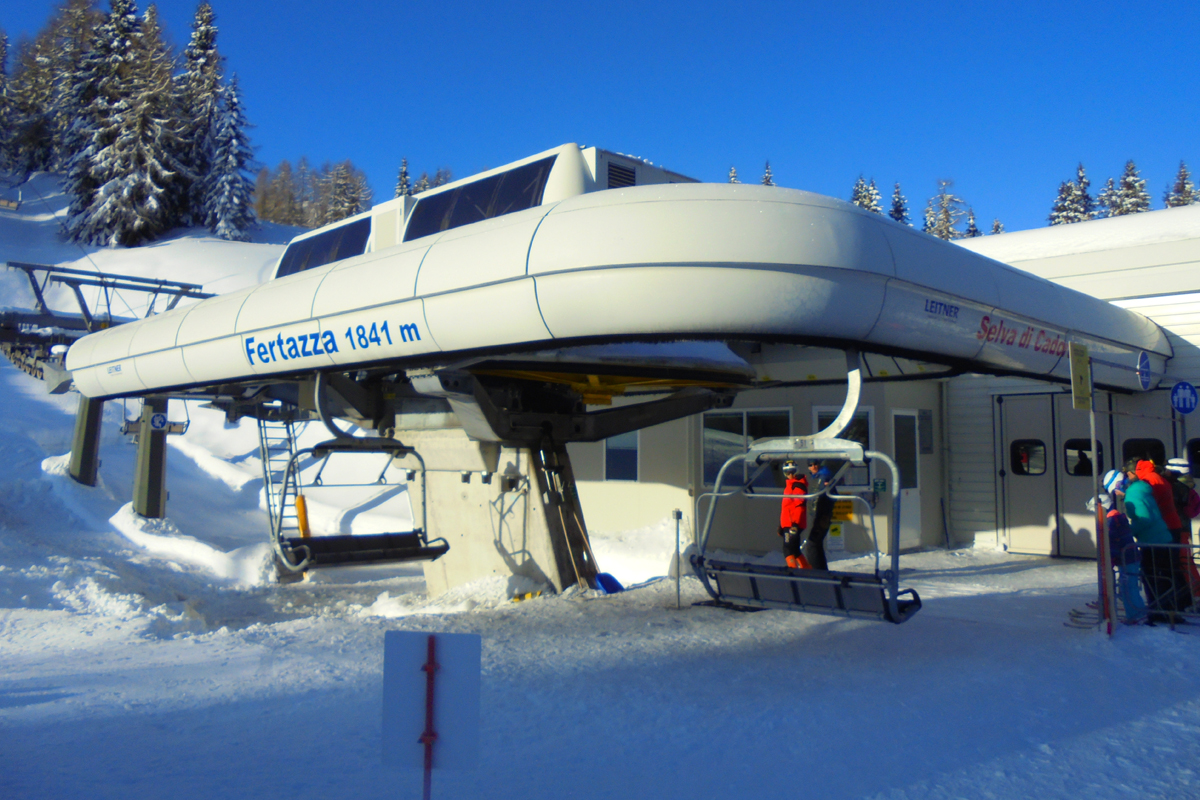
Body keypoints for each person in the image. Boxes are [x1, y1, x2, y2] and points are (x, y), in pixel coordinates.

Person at [1123, 459, 1190, 622]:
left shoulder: (1149, 481)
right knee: (1171, 569)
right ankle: (1177, 605)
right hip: (1170, 526)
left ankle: (1166, 608)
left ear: (1136, 471)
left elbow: (1147, 512)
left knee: (1161, 572)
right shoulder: (1155, 478)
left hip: (1165, 528)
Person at [1088, 477, 1146, 622]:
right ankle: (1138, 611)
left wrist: (1110, 560)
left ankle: (1135, 615)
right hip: (1129, 558)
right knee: (1129, 586)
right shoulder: (1118, 518)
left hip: (1127, 559)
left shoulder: (1112, 522)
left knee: (1128, 588)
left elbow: (1113, 543)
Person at [1164, 457, 1200, 597]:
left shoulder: (1176, 488)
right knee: (1185, 562)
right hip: (1183, 529)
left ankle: (1195, 593)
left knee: (1184, 563)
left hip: (1178, 529)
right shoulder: (1187, 486)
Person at [779, 460, 811, 570]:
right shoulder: (790, 485)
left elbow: (799, 506)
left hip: (793, 523)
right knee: (794, 549)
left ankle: (792, 569)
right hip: (788, 523)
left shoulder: (798, 485)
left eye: (792, 472)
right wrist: (782, 526)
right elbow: (787, 507)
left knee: (787, 548)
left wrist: (795, 524)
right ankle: (806, 569)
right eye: (787, 472)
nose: (790, 475)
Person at [804, 460, 836, 571]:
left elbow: (832, 495)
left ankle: (818, 572)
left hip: (822, 516)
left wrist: (825, 515)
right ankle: (821, 571)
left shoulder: (823, 476)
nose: (814, 467)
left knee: (812, 544)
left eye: (815, 464)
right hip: (816, 515)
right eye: (811, 465)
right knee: (815, 544)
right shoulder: (815, 478)